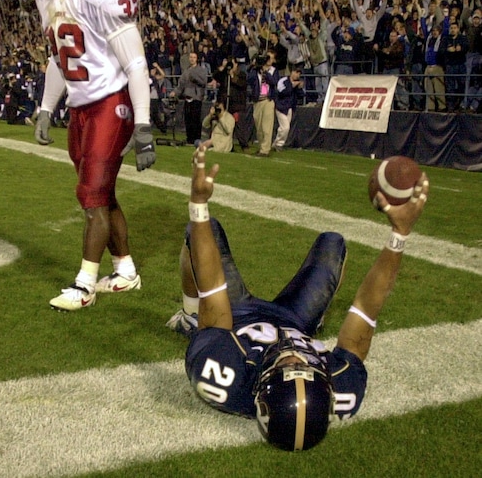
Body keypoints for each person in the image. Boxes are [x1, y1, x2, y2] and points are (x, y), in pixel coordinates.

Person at [167, 140, 429, 451]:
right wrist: (399, 235)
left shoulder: (221, 371)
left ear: (260, 390)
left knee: (204, 229)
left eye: (286, 365)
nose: (294, 355)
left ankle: (188, 316)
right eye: (306, 363)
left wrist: (198, 204)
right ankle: (309, 319)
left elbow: (212, 288)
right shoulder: (342, 390)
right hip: (294, 321)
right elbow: (365, 311)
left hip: (233, 316)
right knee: (334, 243)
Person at [32, 0, 156, 311]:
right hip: (81, 108)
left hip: (111, 103)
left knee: (91, 195)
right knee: (102, 195)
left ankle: (84, 284)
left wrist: (145, 124)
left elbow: (135, 64)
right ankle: (125, 271)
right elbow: (58, 60)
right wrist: (45, 107)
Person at [170, 51, 208, 145]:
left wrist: (194, 77)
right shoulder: (186, 71)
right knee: (188, 120)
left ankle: (196, 139)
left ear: (197, 59)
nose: (192, 59)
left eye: (194, 57)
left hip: (196, 98)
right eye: (190, 57)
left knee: (195, 120)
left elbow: (203, 82)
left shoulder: (201, 70)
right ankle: (189, 139)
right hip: (187, 97)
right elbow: (181, 85)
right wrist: (175, 92)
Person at [246, 53, 278, 157]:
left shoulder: (273, 71)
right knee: (258, 126)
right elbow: (249, 79)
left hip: (268, 100)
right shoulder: (255, 72)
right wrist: (254, 67)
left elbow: (274, 82)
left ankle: (265, 150)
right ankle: (261, 147)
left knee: (266, 127)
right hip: (257, 101)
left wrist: (266, 73)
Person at [273, 67, 304, 151]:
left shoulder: (297, 83)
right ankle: (279, 144)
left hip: (290, 108)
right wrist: (292, 86)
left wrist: (299, 88)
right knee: (285, 127)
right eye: (296, 72)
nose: (297, 75)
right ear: (292, 72)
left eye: (299, 74)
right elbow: (281, 92)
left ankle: (276, 143)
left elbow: (301, 95)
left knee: (283, 128)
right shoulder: (283, 81)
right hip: (281, 106)